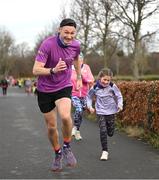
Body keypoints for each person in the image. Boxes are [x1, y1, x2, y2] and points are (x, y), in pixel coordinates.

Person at [32, 18, 82, 171]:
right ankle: (57, 153)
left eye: (72, 33)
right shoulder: (48, 44)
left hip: (63, 86)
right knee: (52, 127)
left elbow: (76, 59)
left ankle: (66, 146)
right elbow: (35, 70)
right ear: (59, 30)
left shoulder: (76, 45)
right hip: (45, 89)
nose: (69, 36)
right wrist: (52, 70)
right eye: (66, 32)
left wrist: (79, 77)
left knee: (66, 116)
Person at [87, 68, 123, 161]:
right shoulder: (95, 87)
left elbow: (119, 96)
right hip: (100, 112)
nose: (106, 82)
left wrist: (120, 105)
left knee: (110, 133)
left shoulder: (112, 86)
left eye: (108, 80)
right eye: (104, 79)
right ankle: (105, 151)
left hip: (111, 111)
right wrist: (90, 107)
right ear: (100, 78)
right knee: (103, 130)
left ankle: (109, 130)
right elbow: (89, 97)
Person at [71, 53, 94, 140]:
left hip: (85, 95)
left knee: (80, 113)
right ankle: (75, 128)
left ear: (82, 60)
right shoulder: (70, 69)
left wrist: (83, 78)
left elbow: (91, 79)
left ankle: (77, 130)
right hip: (74, 94)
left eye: (80, 60)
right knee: (79, 109)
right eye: (76, 60)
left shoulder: (86, 68)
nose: (78, 62)